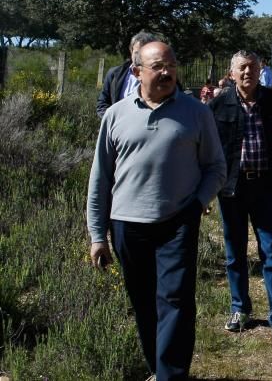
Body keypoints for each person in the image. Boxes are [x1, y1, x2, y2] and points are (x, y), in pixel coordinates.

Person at [87, 41, 226, 379]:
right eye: (157, 67)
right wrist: (97, 235)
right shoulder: (116, 115)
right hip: (127, 225)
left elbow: (216, 167)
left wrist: (196, 203)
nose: (166, 73)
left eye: (171, 66)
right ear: (137, 72)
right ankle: (159, 368)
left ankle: (171, 375)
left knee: (176, 302)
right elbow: (100, 178)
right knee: (144, 304)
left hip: (177, 221)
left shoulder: (197, 112)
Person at [209, 50, 272, 340]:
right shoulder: (218, 105)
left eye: (253, 67)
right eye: (242, 68)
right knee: (235, 252)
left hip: (266, 187)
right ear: (232, 73)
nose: (248, 72)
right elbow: (208, 152)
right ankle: (240, 308)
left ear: (261, 71)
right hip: (232, 189)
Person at [96, 31, 158, 117]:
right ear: (130, 51)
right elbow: (102, 104)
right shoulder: (114, 74)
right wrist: (112, 121)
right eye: (137, 53)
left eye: (145, 53)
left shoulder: (162, 76)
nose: (140, 57)